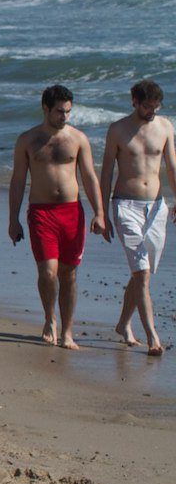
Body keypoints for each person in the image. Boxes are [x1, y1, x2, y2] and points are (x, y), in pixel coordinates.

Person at [7, 84, 107, 349]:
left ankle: (68, 332)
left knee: (69, 274)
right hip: (41, 214)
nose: (65, 117)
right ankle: (50, 319)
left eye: (68, 111)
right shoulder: (27, 140)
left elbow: (89, 177)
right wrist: (13, 219)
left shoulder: (78, 139)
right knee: (48, 272)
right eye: (60, 112)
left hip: (72, 213)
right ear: (46, 109)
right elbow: (17, 181)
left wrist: (99, 213)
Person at [100, 79, 176, 355]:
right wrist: (101, 212)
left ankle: (123, 324)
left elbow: (172, 165)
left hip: (157, 207)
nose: (152, 111)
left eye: (156, 106)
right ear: (134, 101)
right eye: (147, 106)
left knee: (142, 273)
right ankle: (153, 336)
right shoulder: (118, 130)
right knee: (142, 273)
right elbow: (106, 171)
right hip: (125, 206)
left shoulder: (165, 126)